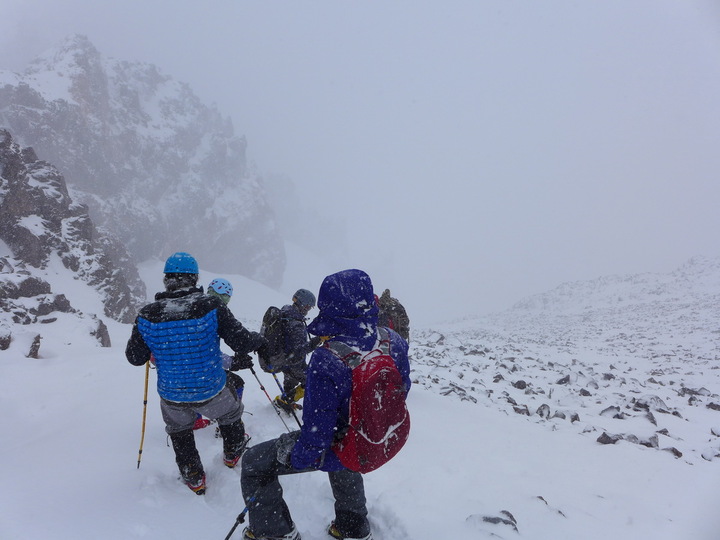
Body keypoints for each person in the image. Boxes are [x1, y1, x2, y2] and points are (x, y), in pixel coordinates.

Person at [240, 269, 411, 540]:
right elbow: (401, 390)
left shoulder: (326, 359)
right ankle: (353, 527)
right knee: (345, 451)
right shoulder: (394, 341)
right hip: (380, 438)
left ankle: (274, 533)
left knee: (254, 463)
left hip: (350, 442)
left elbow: (317, 434)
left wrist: (299, 457)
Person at [125, 253, 265, 495]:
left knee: (179, 431)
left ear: (167, 279)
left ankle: (194, 477)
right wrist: (260, 340)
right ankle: (232, 454)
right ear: (195, 278)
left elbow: (135, 358)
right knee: (230, 414)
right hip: (210, 387)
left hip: (171, 393)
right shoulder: (210, 306)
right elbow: (241, 341)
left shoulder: (147, 314)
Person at [268, 288, 323, 414]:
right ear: (303, 305)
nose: (308, 310)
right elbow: (300, 350)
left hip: (283, 359)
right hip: (294, 362)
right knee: (312, 381)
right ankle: (286, 400)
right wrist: (318, 340)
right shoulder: (295, 323)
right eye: (308, 307)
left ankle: (286, 401)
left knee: (291, 378)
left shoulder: (285, 314)